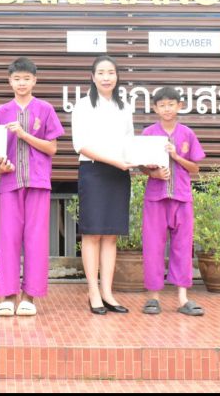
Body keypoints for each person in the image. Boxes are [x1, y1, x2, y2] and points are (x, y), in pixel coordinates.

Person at [0, 57, 65, 317]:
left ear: (34, 80)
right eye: (16, 79)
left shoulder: (45, 109)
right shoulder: (1, 112)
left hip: (38, 182)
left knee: (36, 240)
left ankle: (29, 297)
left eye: (26, 78)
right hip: (10, 183)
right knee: (8, 239)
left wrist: (24, 134)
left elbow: (52, 148)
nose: (21, 83)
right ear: (9, 81)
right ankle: (8, 295)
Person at [71, 55, 134, 315]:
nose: (106, 77)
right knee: (92, 233)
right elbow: (81, 145)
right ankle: (93, 292)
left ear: (117, 76)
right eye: (101, 73)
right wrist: (114, 161)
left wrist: (140, 160)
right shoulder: (83, 106)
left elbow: (129, 142)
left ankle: (107, 292)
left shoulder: (124, 107)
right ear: (92, 77)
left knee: (111, 234)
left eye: (111, 72)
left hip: (119, 174)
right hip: (94, 172)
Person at [140, 86, 206, 317]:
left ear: (179, 106)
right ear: (155, 108)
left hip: (182, 197)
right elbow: (141, 165)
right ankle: (153, 297)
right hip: (155, 198)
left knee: (183, 247)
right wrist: (153, 173)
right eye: (162, 105)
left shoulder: (187, 134)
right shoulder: (148, 133)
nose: (167, 109)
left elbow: (195, 167)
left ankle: (183, 298)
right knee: (152, 247)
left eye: (171, 104)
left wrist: (176, 156)